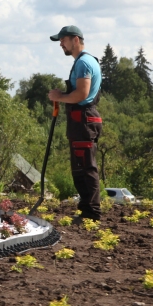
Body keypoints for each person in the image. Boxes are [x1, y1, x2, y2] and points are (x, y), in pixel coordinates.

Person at [47, 25, 103, 222]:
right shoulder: (87, 61)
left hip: (83, 120)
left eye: (63, 40)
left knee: (85, 168)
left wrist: (60, 96)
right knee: (81, 166)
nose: (61, 44)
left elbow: (81, 94)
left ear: (76, 40)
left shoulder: (83, 63)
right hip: (83, 119)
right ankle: (87, 210)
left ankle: (91, 213)